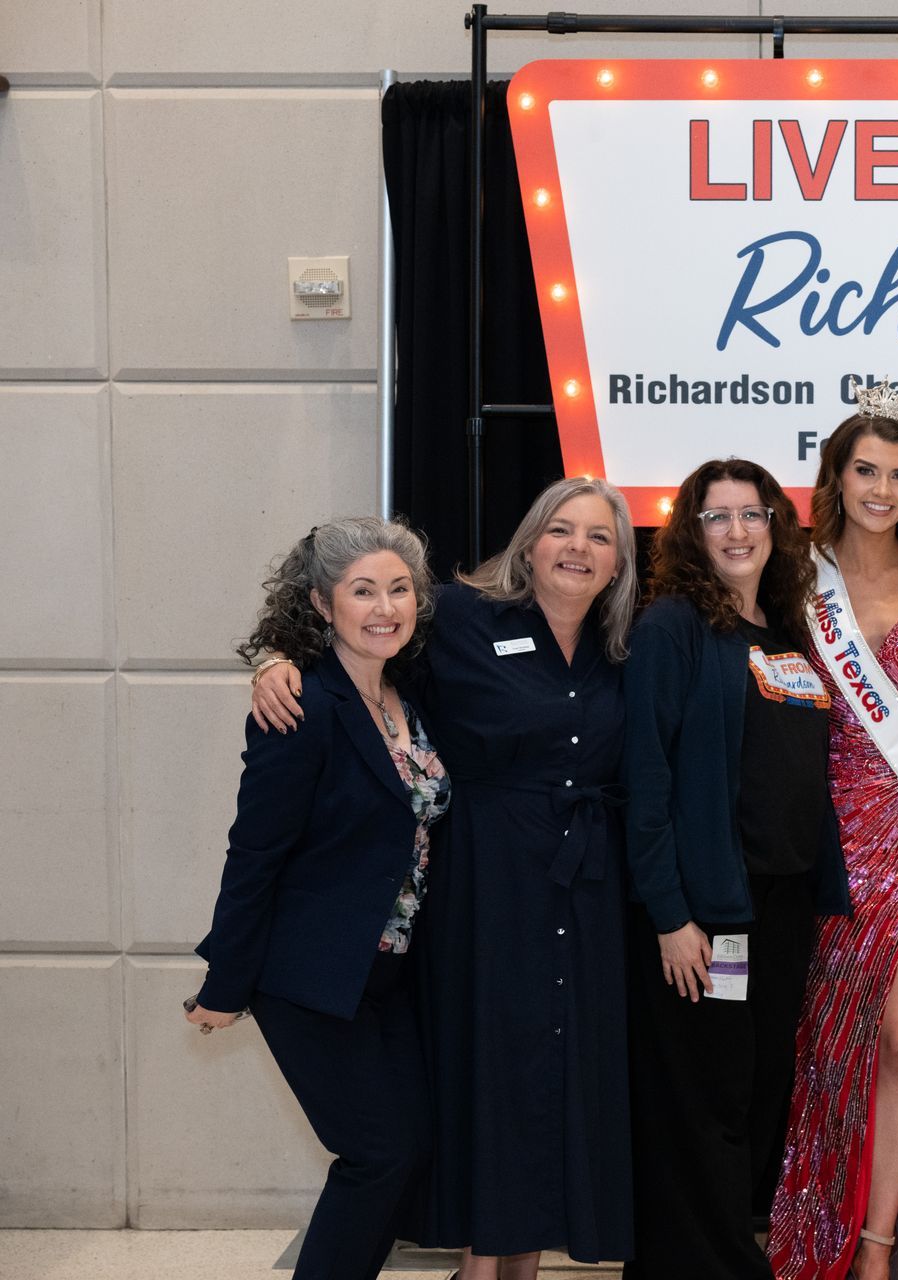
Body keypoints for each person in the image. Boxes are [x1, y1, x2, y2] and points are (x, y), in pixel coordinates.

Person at [251, 477, 640, 1279]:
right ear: (529, 543)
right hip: (483, 889)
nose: (577, 548)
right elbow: (367, 631)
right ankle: (479, 1269)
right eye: (560, 530)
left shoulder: (628, 645)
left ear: (618, 562)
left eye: (599, 537)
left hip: (587, 896)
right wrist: (277, 659)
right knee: (490, 1078)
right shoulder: (462, 618)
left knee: (557, 1079)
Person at [191, 517, 448, 1280]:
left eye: (398, 589)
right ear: (321, 603)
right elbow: (255, 853)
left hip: (390, 974)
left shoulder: (411, 691)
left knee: (408, 1151)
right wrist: (225, 985)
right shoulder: (299, 705)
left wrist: (268, 657)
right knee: (378, 1153)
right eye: (362, 591)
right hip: (309, 977)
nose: (384, 608)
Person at [622, 459, 851, 1280]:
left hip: (780, 907)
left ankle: (701, 1257)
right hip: (709, 911)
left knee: (755, 1091)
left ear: (776, 526)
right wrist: (670, 915)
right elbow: (646, 775)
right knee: (707, 1096)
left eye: (752, 513)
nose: (737, 530)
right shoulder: (673, 626)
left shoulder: (786, 629)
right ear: (691, 533)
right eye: (716, 516)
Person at [768, 382, 898, 1280]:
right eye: (866, 471)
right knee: (829, 1042)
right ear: (837, 477)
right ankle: (819, 1227)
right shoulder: (793, 574)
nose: (882, 490)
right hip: (824, 830)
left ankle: (878, 1243)